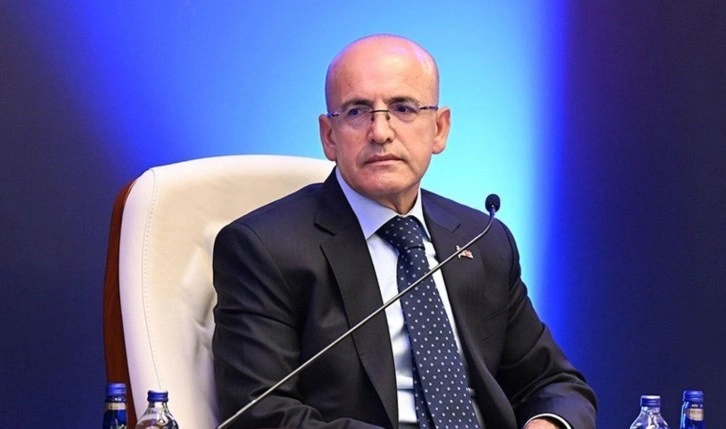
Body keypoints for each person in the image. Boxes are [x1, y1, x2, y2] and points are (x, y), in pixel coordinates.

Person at [212, 34, 597, 429]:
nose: (380, 132)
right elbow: (261, 415)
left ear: (440, 128)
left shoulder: (482, 240)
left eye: (403, 108)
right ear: (329, 136)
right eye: (358, 111)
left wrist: (549, 424)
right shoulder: (263, 248)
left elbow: (553, 383)